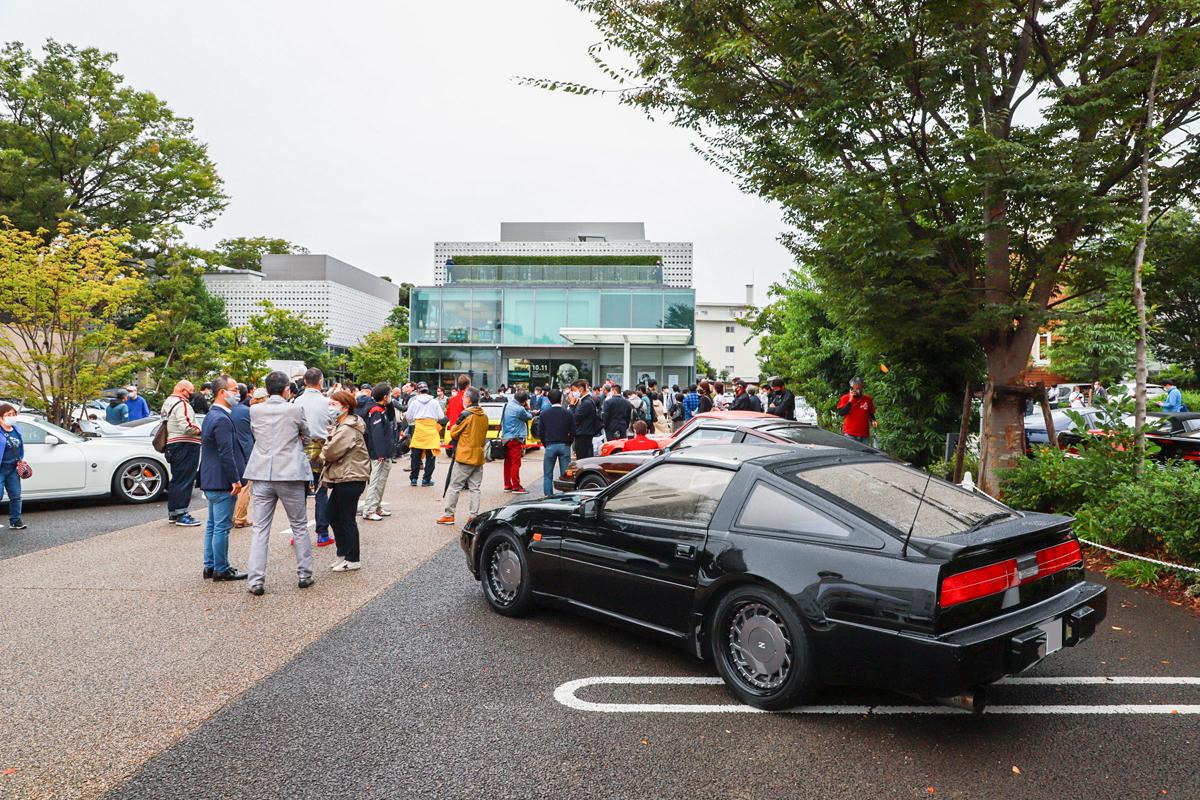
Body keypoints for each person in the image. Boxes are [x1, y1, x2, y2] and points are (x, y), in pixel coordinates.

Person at [244, 370, 314, 597]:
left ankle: (255, 580)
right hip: (290, 472)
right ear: (286, 389)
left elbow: (255, 434)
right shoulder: (294, 408)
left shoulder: (254, 410)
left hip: (262, 471)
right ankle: (304, 574)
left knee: (260, 528)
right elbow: (307, 434)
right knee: (299, 525)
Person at [198, 375, 248, 582]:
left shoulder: (212, 415)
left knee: (212, 524)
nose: (238, 393)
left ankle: (210, 565)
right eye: (234, 389)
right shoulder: (222, 419)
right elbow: (226, 453)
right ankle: (221, 568)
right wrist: (235, 480)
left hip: (210, 478)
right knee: (221, 526)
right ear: (222, 392)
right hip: (222, 481)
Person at [320, 389, 371, 572]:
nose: (330, 407)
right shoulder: (342, 424)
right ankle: (343, 554)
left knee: (346, 518)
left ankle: (352, 558)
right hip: (345, 476)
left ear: (345, 406)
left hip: (351, 476)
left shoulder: (348, 427)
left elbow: (331, 451)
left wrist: (323, 451)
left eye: (333, 404)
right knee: (333, 514)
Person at [295, 367, 334, 547]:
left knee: (300, 493)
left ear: (304, 382)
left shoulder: (296, 401)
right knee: (321, 491)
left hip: (300, 450)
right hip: (320, 450)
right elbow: (333, 422)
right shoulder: (327, 402)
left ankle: (297, 534)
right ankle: (322, 534)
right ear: (320, 381)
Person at [438, 387, 489, 525]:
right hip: (478, 455)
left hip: (464, 456)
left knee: (455, 486)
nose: (462, 399)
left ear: (468, 399)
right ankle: (473, 516)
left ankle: (449, 514)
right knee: (475, 488)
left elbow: (454, 432)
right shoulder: (484, 416)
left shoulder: (466, 414)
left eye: (464, 398)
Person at [161, 380, 202, 527]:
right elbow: (187, 426)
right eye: (191, 390)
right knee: (185, 480)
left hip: (173, 444)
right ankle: (182, 514)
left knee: (177, 479)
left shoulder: (168, 403)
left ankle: (173, 512)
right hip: (185, 445)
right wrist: (201, 431)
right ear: (184, 390)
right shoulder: (182, 404)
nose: (192, 393)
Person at [359, 383, 397, 519]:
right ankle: (369, 510)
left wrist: (390, 403)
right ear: (385, 396)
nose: (391, 397)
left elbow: (392, 417)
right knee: (375, 481)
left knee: (381, 481)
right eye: (390, 394)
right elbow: (377, 433)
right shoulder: (376, 410)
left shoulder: (383, 408)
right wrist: (380, 453)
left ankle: (377, 506)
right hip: (378, 453)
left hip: (385, 452)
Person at [231, 386, 265, 528]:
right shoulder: (249, 412)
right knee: (245, 486)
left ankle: (230, 515)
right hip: (246, 452)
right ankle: (240, 517)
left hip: (231, 450)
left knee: (233, 484)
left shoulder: (230, 410)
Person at [404, 382, 442, 490]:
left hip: (419, 429)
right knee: (431, 456)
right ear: (428, 390)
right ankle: (426, 479)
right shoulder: (434, 402)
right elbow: (441, 416)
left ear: (418, 391)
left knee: (415, 455)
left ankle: (414, 479)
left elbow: (409, 416)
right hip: (431, 430)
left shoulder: (415, 402)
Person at [539, 389, 575, 495]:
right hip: (564, 445)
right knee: (566, 475)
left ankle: (548, 496)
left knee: (547, 474)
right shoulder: (568, 413)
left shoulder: (544, 414)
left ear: (549, 400)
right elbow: (573, 431)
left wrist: (545, 444)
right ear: (561, 399)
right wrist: (569, 442)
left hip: (550, 445)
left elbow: (540, 431)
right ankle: (567, 496)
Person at [0, 403, 27, 530]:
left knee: (16, 495)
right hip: (0, 469)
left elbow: (20, 447)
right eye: (8, 415)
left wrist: (21, 460)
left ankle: (15, 521)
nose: (12, 417)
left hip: (12, 469)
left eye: (13, 414)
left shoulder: (16, 429)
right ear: (1, 417)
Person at [500, 390, 532, 493]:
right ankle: (516, 486)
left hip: (506, 438)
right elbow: (529, 417)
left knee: (508, 463)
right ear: (524, 401)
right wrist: (527, 407)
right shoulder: (520, 409)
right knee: (516, 463)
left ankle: (507, 485)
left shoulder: (507, 405)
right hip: (515, 438)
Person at [835, 376, 877, 444]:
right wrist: (850, 401)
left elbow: (870, 412)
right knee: (852, 453)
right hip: (850, 433)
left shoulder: (868, 399)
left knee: (864, 454)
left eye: (860, 387)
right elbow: (841, 413)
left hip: (864, 433)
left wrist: (873, 420)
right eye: (856, 388)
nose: (858, 390)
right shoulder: (845, 398)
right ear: (851, 388)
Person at [571, 379, 601, 459]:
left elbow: (574, 418)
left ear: (581, 389)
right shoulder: (586, 400)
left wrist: (572, 405)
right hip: (585, 433)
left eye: (574, 390)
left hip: (583, 435)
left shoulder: (586, 402)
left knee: (582, 460)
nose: (572, 393)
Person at [442, 374, 470, 458]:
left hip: (454, 430)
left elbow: (448, 414)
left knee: (456, 456)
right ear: (468, 385)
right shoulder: (468, 399)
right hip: (465, 431)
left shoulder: (452, 399)